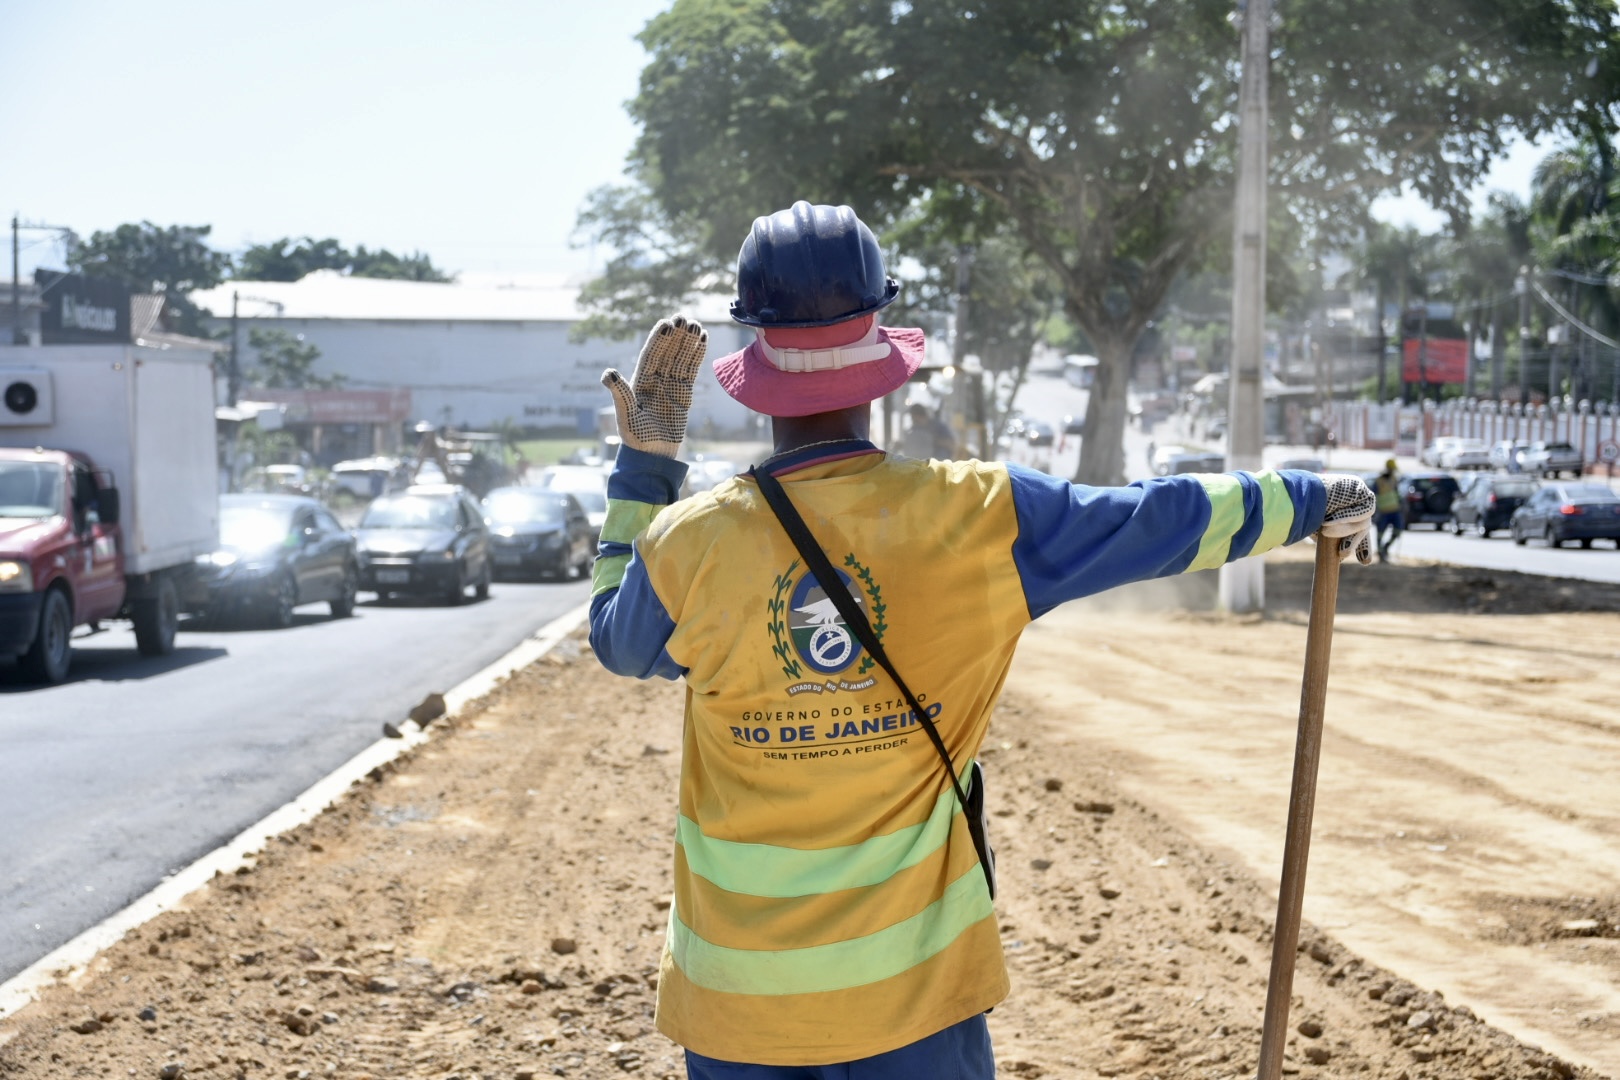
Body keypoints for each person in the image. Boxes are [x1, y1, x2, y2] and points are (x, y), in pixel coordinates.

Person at [588, 200, 1375, 1079]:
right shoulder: (980, 515)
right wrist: (1311, 497)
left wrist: (646, 469)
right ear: (881, 343)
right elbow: (1159, 520)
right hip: (915, 1002)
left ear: (756, 354)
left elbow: (621, 643)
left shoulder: (689, 546)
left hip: (739, 1011)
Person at [1373, 457, 1403, 562]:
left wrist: (1402, 504)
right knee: (1380, 533)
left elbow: (1397, 494)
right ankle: (1381, 553)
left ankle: (1385, 547)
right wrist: (1375, 510)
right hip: (1383, 512)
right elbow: (1373, 496)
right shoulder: (1378, 481)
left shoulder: (1394, 479)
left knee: (1398, 530)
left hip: (1395, 511)